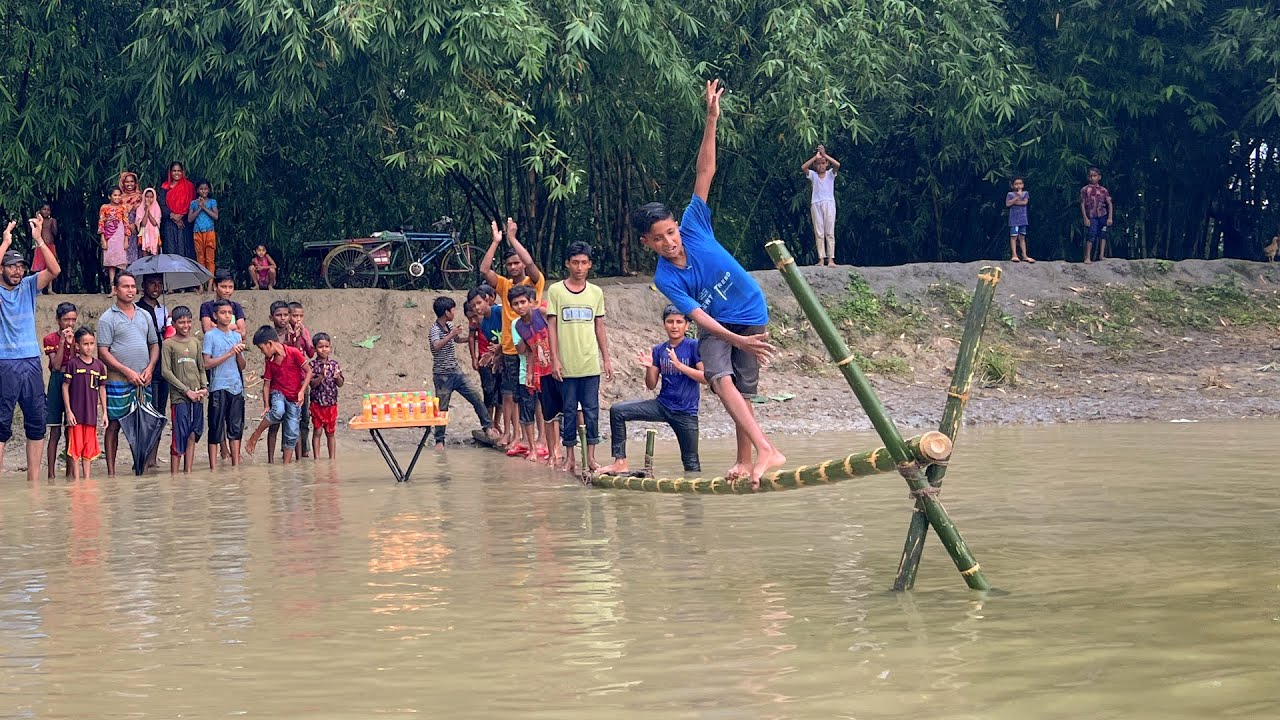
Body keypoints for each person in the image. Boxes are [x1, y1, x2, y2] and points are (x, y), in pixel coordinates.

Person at [632, 79, 785, 487]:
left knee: (744, 391)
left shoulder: (694, 225)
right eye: (659, 238)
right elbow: (699, 316)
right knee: (719, 378)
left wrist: (712, 118)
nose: (669, 240)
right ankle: (766, 449)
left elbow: (706, 168)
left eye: (670, 232)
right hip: (717, 326)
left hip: (750, 310)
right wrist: (737, 342)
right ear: (647, 243)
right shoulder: (666, 276)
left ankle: (743, 459)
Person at [598, 306, 706, 475]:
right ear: (664, 324)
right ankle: (620, 462)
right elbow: (651, 385)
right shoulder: (659, 350)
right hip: (662, 406)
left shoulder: (694, 346)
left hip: (686, 412)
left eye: (679, 322)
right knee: (617, 411)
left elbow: (705, 377)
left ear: (687, 326)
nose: (674, 326)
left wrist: (680, 366)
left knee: (691, 462)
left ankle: (693, 498)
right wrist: (649, 367)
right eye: (670, 322)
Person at [0, 217, 60, 481]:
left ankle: (33, 485)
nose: (17, 271)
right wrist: (5, 242)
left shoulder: (28, 286)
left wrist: (39, 240)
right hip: (5, 362)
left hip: (31, 362)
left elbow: (54, 270)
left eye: (20, 266)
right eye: (11, 267)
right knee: (1, 425)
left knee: (36, 423)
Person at [546, 242, 612, 474]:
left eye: (584, 263)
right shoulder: (556, 291)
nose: (579, 267)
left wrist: (606, 359)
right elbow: (551, 327)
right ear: (567, 264)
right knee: (569, 411)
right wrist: (555, 359)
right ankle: (570, 457)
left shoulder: (596, 293)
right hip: (566, 365)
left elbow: (600, 326)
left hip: (589, 363)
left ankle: (591, 457)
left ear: (590, 265)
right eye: (575, 262)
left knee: (592, 410)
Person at [479, 217, 543, 450]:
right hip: (508, 349)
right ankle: (516, 436)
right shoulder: (505, 285)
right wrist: (496, 241)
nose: (514, 267)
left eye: (517, 263)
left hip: (530, 349)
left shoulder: (533, 283)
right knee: (512, 395)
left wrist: (513, 239)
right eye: (510, 264)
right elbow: (484, 270)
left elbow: (532, 264)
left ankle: (538, 439)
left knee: (532, 395)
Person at [97, 271, 160, 477]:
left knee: (143, 425)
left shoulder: (144, 314)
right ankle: (111, 472)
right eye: (125, 286)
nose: (130, 290)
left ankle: (139, 468)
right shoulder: (107, 318)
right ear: (115, 290)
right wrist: (126, 371)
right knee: (114, 425)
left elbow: (154, 344)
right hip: (118, 380)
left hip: (143, 379)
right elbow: (103, 352)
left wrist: (150, 368)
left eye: (133, 286)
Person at [429, 297, 498, 450]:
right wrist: (451, 335)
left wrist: (472, 338)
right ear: (447, 312)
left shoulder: (448, 325)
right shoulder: (435, 329)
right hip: (442, 375)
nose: (454, 312)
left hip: (456, 372)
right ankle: (439, 440)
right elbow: (436, 346)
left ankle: (487, 426)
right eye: (453, 310)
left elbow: (458, 340)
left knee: (475, 397)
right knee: (442, 408)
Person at [510, 284, 561, 466]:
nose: (520, 306)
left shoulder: (542, 312)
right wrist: (530, 372)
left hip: (557, 365)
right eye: (515, 304)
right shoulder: (517, 326)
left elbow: (559, 332)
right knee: (547, 412)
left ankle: (557, 450)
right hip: (541, 370)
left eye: (523, 302)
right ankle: (544, 450)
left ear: (531, 302)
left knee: (559, 410)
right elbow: (529, 350)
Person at [243, 326, 310, 464]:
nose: (262, 352)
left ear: (270, 343)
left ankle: (286, 467)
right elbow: (267, 384)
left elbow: (309, 371)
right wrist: (267, 405)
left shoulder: (293, 353)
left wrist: (302, 390)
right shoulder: (270, 361)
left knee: (292, 432)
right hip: (278, 393)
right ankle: (256, 435)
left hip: (293, 397)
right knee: (278, 410)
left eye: (262, 349)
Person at [160, 306, 206, 474]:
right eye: (181, 322)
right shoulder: (168, 344)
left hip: (198, 396)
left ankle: (188, 473)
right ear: (173, 324)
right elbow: (166, 371)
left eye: (188, 321)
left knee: (194, 433)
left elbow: (201, 367)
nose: (185, 325)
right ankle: (175, 476)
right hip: (179, 398)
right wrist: (186, 391)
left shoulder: (195, 342)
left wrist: (204, 387)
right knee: (179, 437)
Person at [202, 298, 246, 469]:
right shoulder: (210, 336)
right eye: (223, 313)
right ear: (215, 315)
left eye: (229, 313)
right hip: (218, 386)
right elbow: (206, 363)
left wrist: (239, 354)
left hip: (236, 386)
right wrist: (229, 353)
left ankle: (235, 465)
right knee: (215, 427)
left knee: (235, 427)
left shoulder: (237, 336)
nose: (227, 316)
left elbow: (242, 366)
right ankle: (213, 466)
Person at [61, 328, 107, 481]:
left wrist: (104, 413)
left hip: (91, 415)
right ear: (78, 346)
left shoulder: (99, 366)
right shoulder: (72, 364)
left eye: (92, 343)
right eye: (85, 344)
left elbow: (102, 388)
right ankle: (76, 481)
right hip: (76, 414)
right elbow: (65, 386)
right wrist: (68, 411)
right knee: (75, 449)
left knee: (88, 449)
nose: (89, 347)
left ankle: (86, 481)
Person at [42, 301, 78, 478]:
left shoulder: (79, 338)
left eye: (73, 319)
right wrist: (63, 341)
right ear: (58, 320)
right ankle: (51, 474)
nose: (70, 324)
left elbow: (73, 363)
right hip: (57, 381)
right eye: (66, 320)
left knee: (71, 429)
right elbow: (56, 366)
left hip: (73, 382)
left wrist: (71, 344)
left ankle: (71, 474)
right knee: (54, 430)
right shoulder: (50, 339)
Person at [466, 285, 504, 437]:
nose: (477, 307)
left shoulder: (499, 311)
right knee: (490, 391)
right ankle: (490, 425)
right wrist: (492, 356)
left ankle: (501, 426)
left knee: (506, 395)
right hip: (495, 358)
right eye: (474, 305)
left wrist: (497, 353)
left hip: (509, 357)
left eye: (479, 303)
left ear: (488, 300)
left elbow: (511, 330)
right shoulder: (482, 324)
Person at [801, 145, 841, 266]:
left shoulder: (830, 174)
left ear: (826, 164)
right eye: (818, 164)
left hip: (829, 202)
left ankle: (831, 259)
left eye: (823, 163)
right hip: (816, 203)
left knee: (829, 231)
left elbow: (837, 165)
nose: (821, 165)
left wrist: (824, 155)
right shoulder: (813, 175)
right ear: (815, 165)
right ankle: (821, 259)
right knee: (819, 232)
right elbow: (803, 167)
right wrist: (815, 157)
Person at [285, 301, 314, 457]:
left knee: (304, 416)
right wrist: (294, 337)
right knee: (290, 417)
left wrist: (303, 336)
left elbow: (310, 353)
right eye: (295, 315)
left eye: (300, 316)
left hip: (303, 380)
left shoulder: (305, 331)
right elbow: (291, 352)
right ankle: (289, 448)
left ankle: (304, 449)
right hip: (289, 381)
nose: (298, 319)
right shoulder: (286, 333)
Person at [308, 332, 343, 459]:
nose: (324, 349)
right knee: (317, 431)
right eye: (321, 347)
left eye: (326, 346)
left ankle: (332, 459)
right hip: (317, 403)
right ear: (315, 349)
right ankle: (316, 458)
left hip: (331, 403)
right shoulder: (312, 366)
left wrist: (337, 376)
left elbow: (340, 384)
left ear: (330, 347)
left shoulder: (334, 365)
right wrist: (321, 376)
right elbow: (312, 385)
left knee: (330, 432)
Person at [159, 161, 196, 260]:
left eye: (179, 171)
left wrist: (181, 216)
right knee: (170, 247)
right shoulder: (165, 187)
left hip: (184, 222)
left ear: (183, 172)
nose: (176, 173)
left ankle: (185, 274)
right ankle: (171, 273)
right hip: (169, 222)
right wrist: (173, 216)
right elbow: (161, 204)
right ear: (170, 172)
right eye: (174, 171)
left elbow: (192, 204)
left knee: (185, 247)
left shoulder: (189, 186)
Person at [1080, 166, 1114, 264]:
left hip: (1102, 214)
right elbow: (1082, 204)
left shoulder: (1103, 190)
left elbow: (1109, 204)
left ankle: (1102, 255)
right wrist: (1085, 218)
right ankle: (1087, 257)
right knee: (1091, 234)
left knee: (1103, 234)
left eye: (1095, 176)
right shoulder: (1085, 190)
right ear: (1088, 177)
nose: (1092, 178)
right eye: (1090, 176)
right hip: (1091, 215)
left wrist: (1110, 217)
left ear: (1099, 177)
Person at [188, 180, 219, 287]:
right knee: (200, 258)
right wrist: (199, 207)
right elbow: (189, 219)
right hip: (197, 232)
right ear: (197, 190)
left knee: (210, 258)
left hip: (209, 232)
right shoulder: (193, 203)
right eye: (201, 189)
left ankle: (210, 285)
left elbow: (215, 216)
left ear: (208, 190)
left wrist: (204, 207)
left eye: (205, 189)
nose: (203, 191)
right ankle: (201, 285)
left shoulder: (212, 202)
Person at [98, 187, 130, 289]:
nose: (117, 197)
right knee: (111, 263)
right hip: (109, 237)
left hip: (120, 236)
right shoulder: (104, 207)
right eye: (114, 195)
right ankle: (112, 286)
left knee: (121, 262)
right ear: (109, 196)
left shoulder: (123, 208)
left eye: (119, 195)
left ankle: (121, 286)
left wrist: (126, 240)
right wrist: (103, 239)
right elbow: (101, 223)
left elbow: (126, 224)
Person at [200, 269, 247, 336]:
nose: (227, 291)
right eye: (223, 287)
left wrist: (214, 326)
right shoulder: (206, 306)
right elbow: (207, 330)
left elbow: (242, 332)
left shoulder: (236, 306)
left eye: (230, 287)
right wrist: (234, 326)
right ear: (215, 286)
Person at [1006, 177, 1034, 263]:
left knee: (1022, 237)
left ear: (1023, 185)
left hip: (1023, 219)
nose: (1018, 185)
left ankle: (1024, 255)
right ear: (1012, 185)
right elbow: (1008, 204)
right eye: (1016, 184)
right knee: (1014, 236)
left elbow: (1024, 203)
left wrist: (1015, 202)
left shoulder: (1025, 193)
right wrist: (1017, 197)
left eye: (1020, 183)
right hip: (1014, 220)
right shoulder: (1010, 194)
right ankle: (1014, 255)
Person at [33, 203, 59, 293]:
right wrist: (37, 220)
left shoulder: (52, 220)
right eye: (44, 209)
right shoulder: (37, 221)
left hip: (50, 246)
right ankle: (39, 289)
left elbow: (55, 233)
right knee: (40, 268)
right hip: (40, 246)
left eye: (48, 210)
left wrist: (52, 224)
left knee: (50, 266)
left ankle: (50, 289)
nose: (46, 211)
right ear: (40, 210)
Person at [119, 171, 144, 266]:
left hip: (138, 228)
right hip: (122, 230)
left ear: (135, 183)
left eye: (132, 181)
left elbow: (144, 213)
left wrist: (136, 224)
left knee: (138, 256)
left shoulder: (140, 197)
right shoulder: (119, 198)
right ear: (123, 183)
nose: (129, 184)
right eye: (127, 182)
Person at [137, 187, 162, 256]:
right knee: (145, 256)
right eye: (147, 197)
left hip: (154, 234)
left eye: (151, 197)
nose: (149, 199)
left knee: (155, 256)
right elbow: (143, 224)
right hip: (145, 234)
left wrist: (148, 211)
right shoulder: (140, 208)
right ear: (144, 197)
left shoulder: (157, 208)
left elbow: (154, 223)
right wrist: (146, 210)